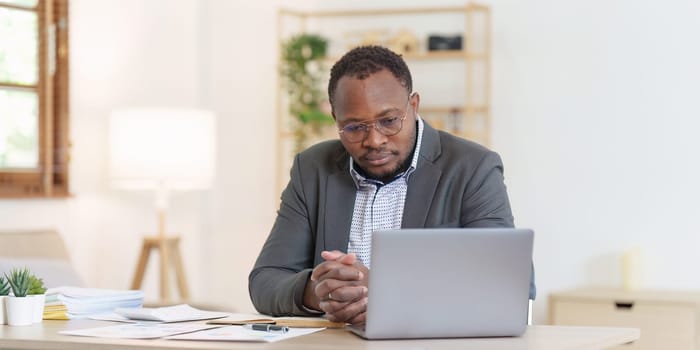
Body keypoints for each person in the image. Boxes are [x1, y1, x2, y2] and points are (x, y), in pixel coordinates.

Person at [249, 45, 535, 324]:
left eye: (388, 121)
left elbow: (507, 290)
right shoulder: (313, 169)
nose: (374, 140)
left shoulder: (473, 168)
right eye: (354, 127)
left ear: (414, 106)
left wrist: (386, 290)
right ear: (336, 119)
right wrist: (318, 292)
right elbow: (266, 280)